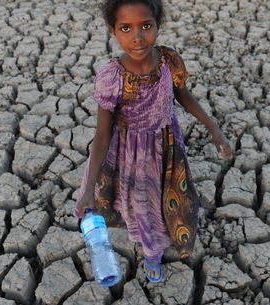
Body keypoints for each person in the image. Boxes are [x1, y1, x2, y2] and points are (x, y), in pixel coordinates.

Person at [74, 0, 231, 283]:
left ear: (157, 24)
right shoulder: (112, 77)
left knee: (168, 200)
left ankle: (157, 247)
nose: (138, 36)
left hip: (167, 145)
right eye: (126, 28)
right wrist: (89, 188)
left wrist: (213, 128)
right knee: (143, 207)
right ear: (113, 31)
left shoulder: (169, 60)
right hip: (131, 155)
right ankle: (152, 255)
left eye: (146, 26)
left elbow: (183, 96)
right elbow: (102, 134)